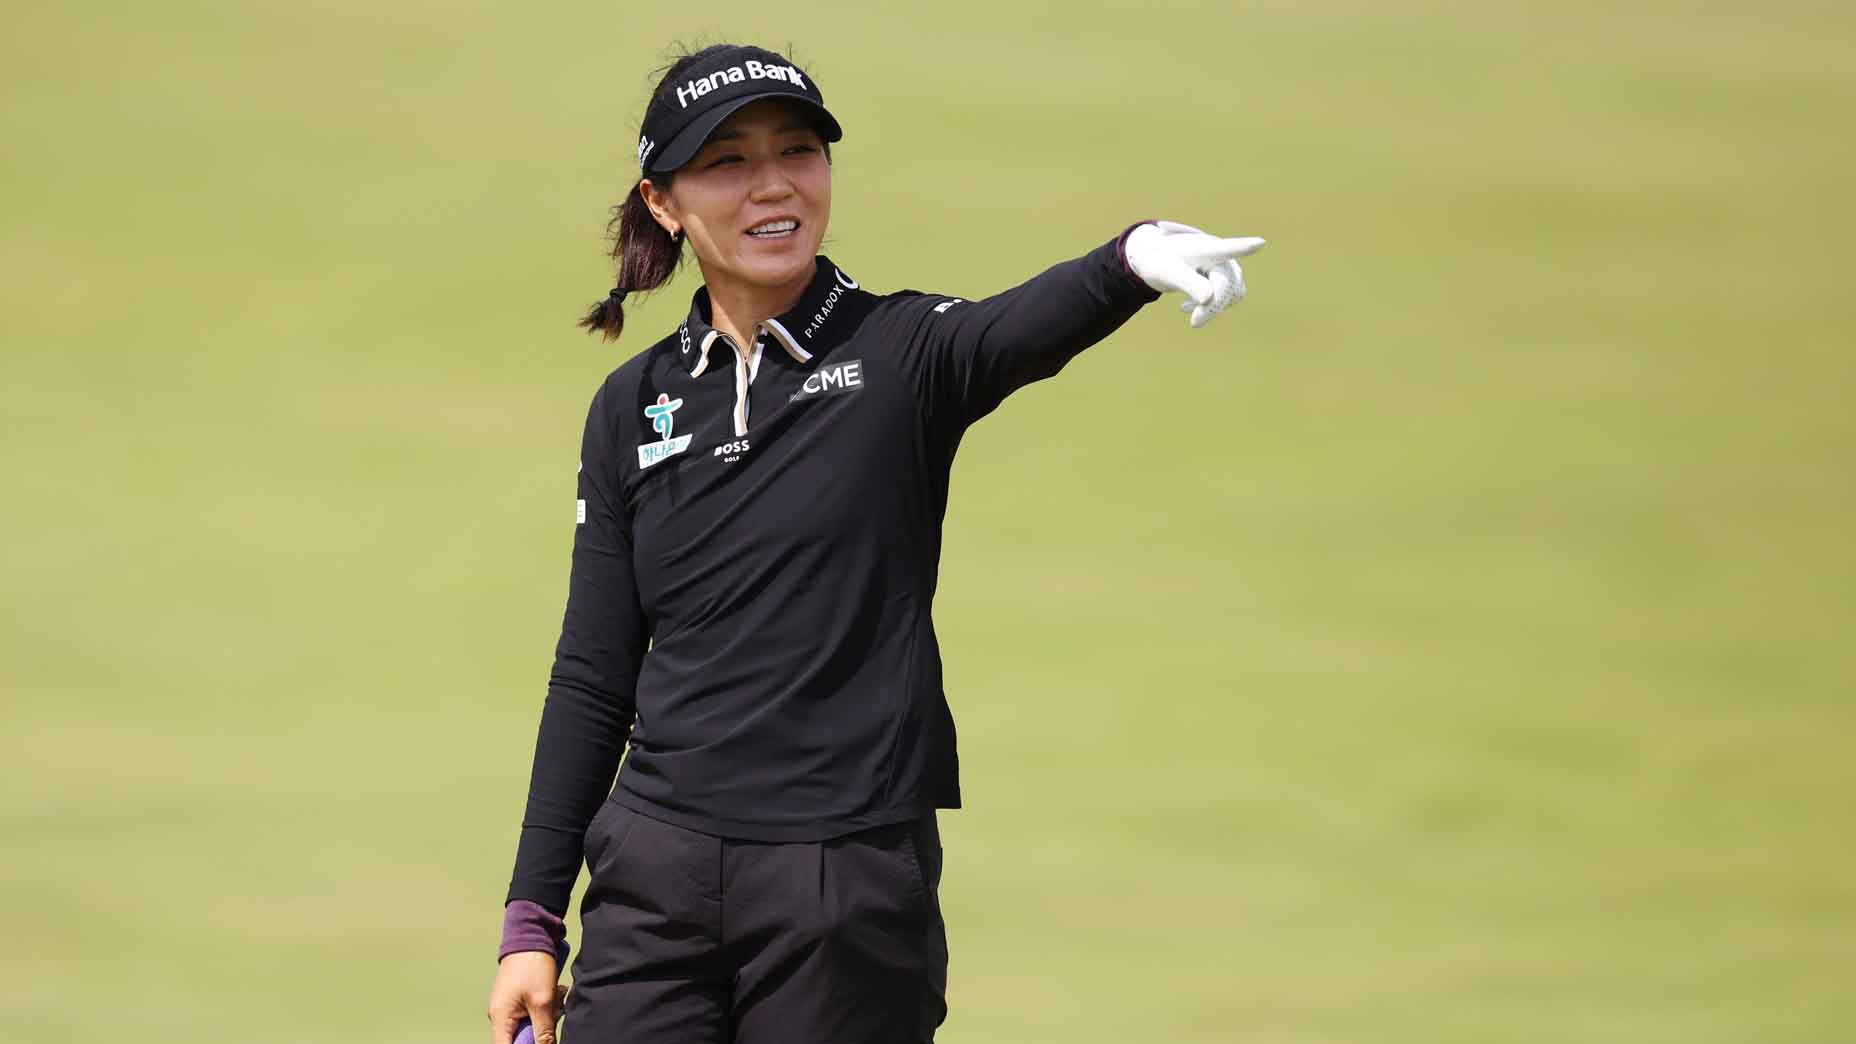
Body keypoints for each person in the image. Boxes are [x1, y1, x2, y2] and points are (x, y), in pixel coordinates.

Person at [485, 42, 1264, 1044]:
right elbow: (594, 675)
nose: (772, 186)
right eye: (726, 163)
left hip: (838, 883)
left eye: (798, 152)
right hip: (652, 883)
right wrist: (530, 921)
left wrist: (1131, 259)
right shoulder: (632, 404)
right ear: (665, 203)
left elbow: (1011, 330)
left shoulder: (898, 351)